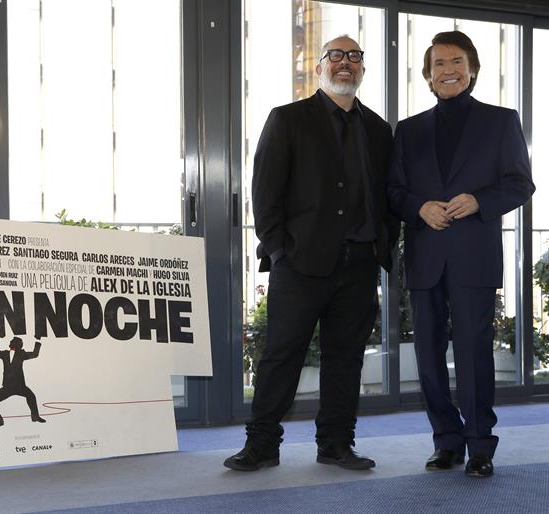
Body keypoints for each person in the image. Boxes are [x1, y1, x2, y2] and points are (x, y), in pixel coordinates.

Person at [224, 35, 397, 472]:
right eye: (335, 56)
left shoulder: (379, 130)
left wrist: (381, 248)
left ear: (362, 68)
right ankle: (262, 444)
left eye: (354, 56)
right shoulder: (288, 119)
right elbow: (265, 194)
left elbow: (386, 197)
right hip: (300, 264)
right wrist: (280, 250)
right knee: (281, 356)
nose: (345, 63)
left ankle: (336, 444)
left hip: (359, 265)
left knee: (346, 360)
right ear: (320, 68)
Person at [387, 31, 534, 478]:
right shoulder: (408, 130)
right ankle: (446, 441)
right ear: (428, 75)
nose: (447, 70)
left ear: (471, 69)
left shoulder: (502, 121)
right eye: (439, 64)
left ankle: (480, 445)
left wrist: (479, 201)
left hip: (474, 255)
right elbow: (393, 191)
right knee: (428, 356)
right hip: (425, 255)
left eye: (456, 62)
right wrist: (419, 208)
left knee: (474, 353)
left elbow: (520, 184)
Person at [0, 335, 46, 427]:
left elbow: (35, 354)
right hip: (8, 387)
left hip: (20, 386)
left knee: (31, 396)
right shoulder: (5, 354)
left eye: (12, 341)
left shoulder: (22, 354)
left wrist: (38, 340)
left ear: (17, 345)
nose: (9, 342)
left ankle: (35, 417)